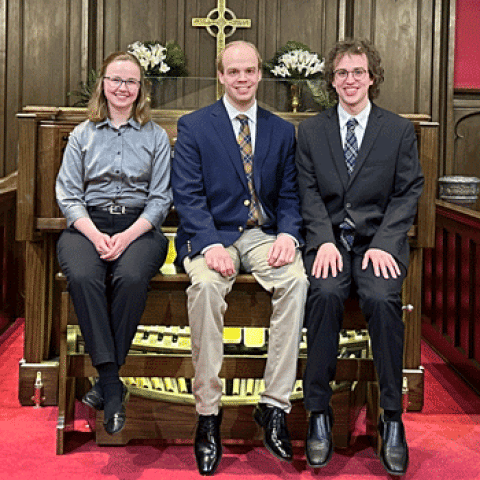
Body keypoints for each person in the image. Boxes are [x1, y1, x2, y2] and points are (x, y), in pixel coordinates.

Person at [171, 40, 308, 475]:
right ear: (220, 75)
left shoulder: (282, 130)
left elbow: (290, 194)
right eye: (234, 72)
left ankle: (273, 406)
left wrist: (288, 233)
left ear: (260, 74)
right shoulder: (194, 125)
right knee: (207, 287)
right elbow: (187, 195)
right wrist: (210, 243)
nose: (243, 79)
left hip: (262, 235)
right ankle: (208, 414)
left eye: (249, 71)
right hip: (213, 235)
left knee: (296, 279)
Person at [295, 38, 424, 476]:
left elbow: (408, 191)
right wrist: (323, 239)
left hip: (378, 246)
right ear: (332, 81)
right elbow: (307, 192)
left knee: (383, 301)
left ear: (372, 77)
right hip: (330, 245)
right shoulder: (312, 132)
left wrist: (387, 243)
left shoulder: (398, 130)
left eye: (358, 72)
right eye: (342, 73)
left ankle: (391, 417)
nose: (350, 80)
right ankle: (319, 414)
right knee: (325, 295)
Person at [56, 51, 172, 436]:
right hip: (86, 227)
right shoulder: (82, 135)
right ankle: (111, 383)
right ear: (103, 85)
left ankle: (105, 385)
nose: (122, 88)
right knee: (85, 278)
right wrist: (95, 234)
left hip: (138, 229)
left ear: (141, 90)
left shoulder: (155, 136)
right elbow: (69, 196)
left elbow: (160, 199)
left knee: (133, 277)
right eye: (115, 80)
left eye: (131, 82)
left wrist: (125, 236)